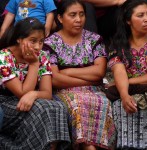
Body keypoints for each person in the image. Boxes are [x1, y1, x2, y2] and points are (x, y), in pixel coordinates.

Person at [43, 0, 116, 150]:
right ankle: (88, 147)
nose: (78, 19)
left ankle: (93, 146)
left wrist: (67, 71)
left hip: (95, 92)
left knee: (104, 102)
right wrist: (89, 79)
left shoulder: (94, 39)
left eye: (82, 14)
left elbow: (99, 72)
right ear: (60, 18)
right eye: (73, 15)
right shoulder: (50, 43)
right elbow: (54, 79)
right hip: (64, 92)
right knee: (78, 102)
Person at [0, 17, 70, 150]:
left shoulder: (42, 56)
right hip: (5, 104)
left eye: (41, 41)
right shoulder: (4, 57)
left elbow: (47, 93)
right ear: (19, 39)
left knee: (58, 107)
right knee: (41, 108)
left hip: (30, 100)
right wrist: (33, 64)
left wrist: (34, 94)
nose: (38, 46)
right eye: (32, 41)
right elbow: (21, 93)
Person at [107, 0, 147, 149]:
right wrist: (124, 95)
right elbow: (118, 70)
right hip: (132, 92)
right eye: (140, 15)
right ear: (128, 21)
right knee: (121, 103)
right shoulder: (119, 45)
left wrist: (129, 82)